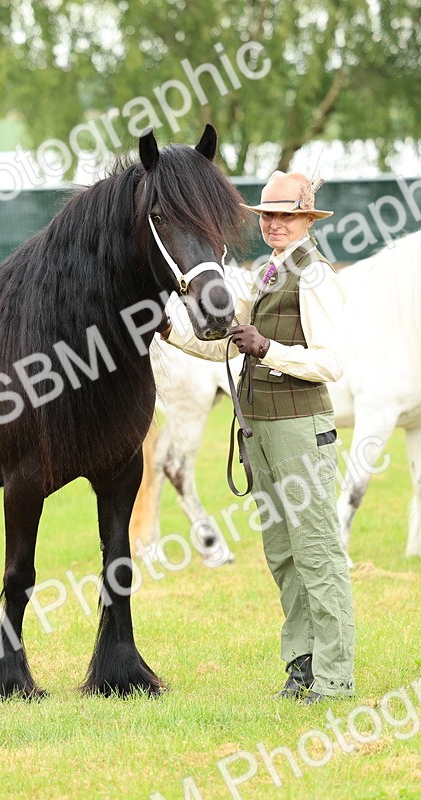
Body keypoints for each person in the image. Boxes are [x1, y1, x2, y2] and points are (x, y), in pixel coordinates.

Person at [163, 171, 354, 703]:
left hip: (300, 428)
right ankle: (302, 666)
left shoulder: (314, 277)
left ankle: (335, 678)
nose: (273, 223)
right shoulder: (269, 272)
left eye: (285, 215)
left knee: (317, 552)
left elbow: (332, 363)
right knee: (283, 554)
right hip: (262, 429)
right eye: (267, 215)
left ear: (306, 219)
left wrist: (268, 349)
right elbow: (230, 344)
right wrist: (171, 331)